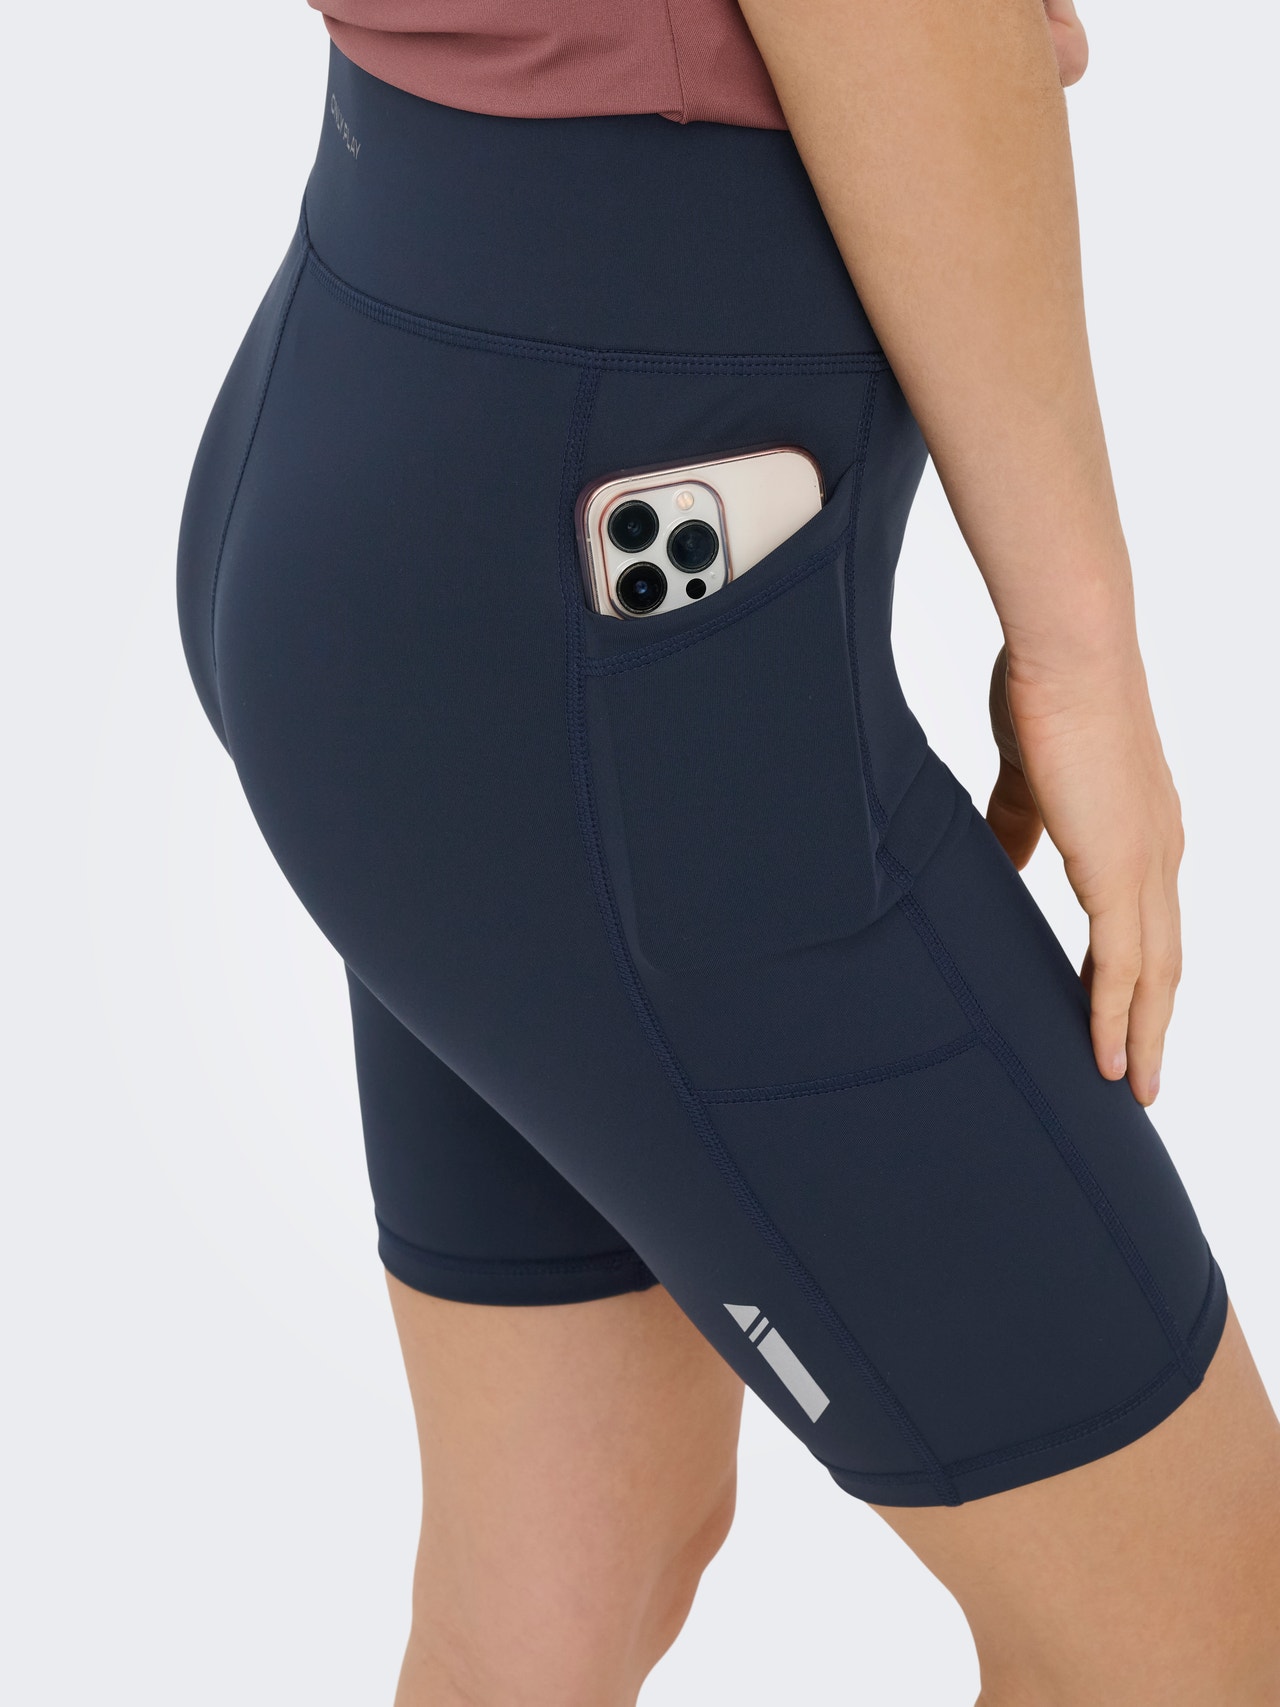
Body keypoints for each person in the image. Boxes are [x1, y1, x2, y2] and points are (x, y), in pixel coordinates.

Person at [175, 1, 1280, 1701]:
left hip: (408, 465)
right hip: (613, 650)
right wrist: (1081, 651)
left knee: (567, 1579)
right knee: (1195, 1641)